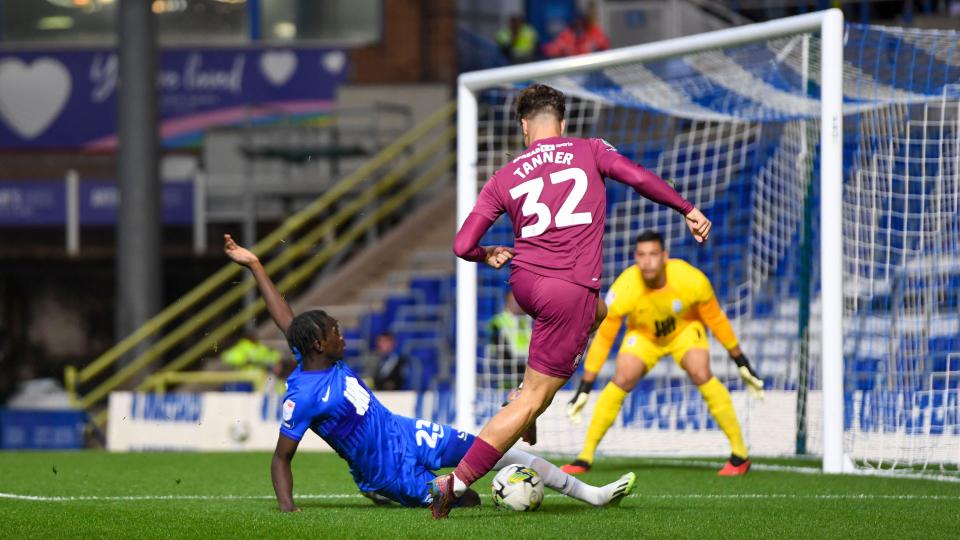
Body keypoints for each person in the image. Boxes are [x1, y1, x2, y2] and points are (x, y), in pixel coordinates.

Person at [438, 83, 711, 519]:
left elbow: (461, 243)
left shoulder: (504, 176)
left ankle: (524, 402)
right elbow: (639, 177)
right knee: (534, 397)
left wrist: (486, 253)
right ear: (562, 123)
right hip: (568, 288)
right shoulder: (590, 150)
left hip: (526, 283)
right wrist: (686, 208)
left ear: (525, 126)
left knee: (602, 311)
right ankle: (455, 482)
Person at [222, 234, 636, 511]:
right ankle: (388, 495)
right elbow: (281, 458)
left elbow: (288, 320)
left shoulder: (320, 356)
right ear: (317, 344)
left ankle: (590, 494)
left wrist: (255, 264)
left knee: (495, 451)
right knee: (466, 501)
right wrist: (288, 511)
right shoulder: (303, 394)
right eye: (334, 332)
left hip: (408, 432)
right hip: (387, 472)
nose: (342, 335)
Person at [562, 231, 764, 476]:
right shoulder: (625, 287)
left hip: (684, 330)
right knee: (622, 378)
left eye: (653, 254)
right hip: (644, 336)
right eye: (641, 255)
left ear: (665, 256)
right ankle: (585, 457)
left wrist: (740, 360)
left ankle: (740, 454)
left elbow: (716, 320)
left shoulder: (691, 279)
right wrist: (585, 385)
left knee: (700, 371)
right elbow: (604, 337)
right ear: (635, 257)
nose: (647, 261)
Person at [487, 290, 532, 385]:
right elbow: (501, 353)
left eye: (520, 300)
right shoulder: (498, 322)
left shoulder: (530, 320)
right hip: (506, 374)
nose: (518, 304)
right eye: (514, 301)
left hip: (529, 370)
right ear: (507, 301)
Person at [542, 11, 610, 58]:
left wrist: (596, 47)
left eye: (582, 23)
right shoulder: (567, 34)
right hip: (572, 67)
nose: (579, 26)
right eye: (577, 23)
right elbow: (552, 50)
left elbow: (604, 44)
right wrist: (563, 50)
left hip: (592, 66)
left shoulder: (594, 32)